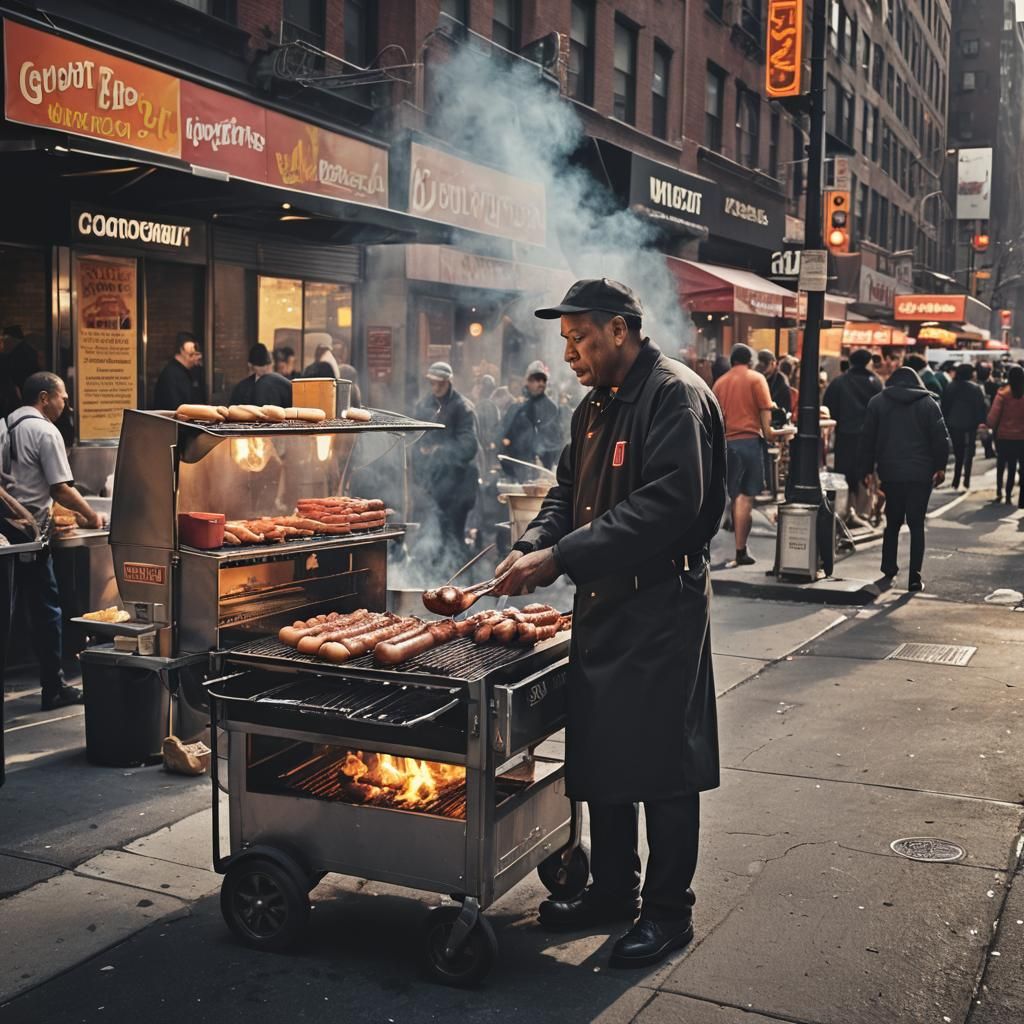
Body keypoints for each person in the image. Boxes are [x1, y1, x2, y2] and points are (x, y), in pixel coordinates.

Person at [492, 278, 726, 969]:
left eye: (579, 337)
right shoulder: (594, 407)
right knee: (606, 751)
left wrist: (563, 555)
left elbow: (669, 504)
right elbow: (566, 490)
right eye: (564, 341)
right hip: (605, 602)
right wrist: (536, 543)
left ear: (620, 330)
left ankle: (666, 911)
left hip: (661, 604)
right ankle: (613, 890)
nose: (569, 352)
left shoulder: (672, 395)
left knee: (662, 763)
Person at [0, 373, 106, 709]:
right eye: (63, 397)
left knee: (9, 610)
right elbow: (60, 487)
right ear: (45, 397)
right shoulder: (45, 430)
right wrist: (92, 515)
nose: (66, 404)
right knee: (47, 608)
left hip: (6, 530)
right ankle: (54, 687)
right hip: (31, 533)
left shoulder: (5, 425)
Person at [859, 366, 950, 592]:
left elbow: (867, 438)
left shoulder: (877, 402)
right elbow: (940, 439)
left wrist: (867, 469)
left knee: (893, 521)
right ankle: (915, 578)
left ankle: (889, 566)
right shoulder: (929, 404)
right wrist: (940, 467)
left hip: (890, 471)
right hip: (921, 472)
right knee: (916, 523)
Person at [712, 344, 777, 565]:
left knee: (733, 496)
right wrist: (777, 434)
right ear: (749, 360)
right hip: (749, 443)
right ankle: (740, 550)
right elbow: (767, 429)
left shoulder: (719, 383)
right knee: (744, 499)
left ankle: (736, 546)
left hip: (726, 445)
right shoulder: (756, 379)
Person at [412, 362, 480, 572]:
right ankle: (431, 580)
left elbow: (468, 446)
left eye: (439, 383)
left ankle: (458, 582)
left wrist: (438, 450)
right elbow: (416, 441)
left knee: (453, 536)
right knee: (431, 535)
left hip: (458, 486)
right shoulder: (423, 406)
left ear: (448, 381)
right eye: (432, 382)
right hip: (432, 484)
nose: (435, 387)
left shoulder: (463, 407)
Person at [822, 349, 882, 525]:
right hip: (869, 436)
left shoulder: (839, 382)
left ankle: (846, 510)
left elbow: (828, 406)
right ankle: (865, 512)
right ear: (868, 362)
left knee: (845, 473)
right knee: (867, 472)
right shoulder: (875, 382)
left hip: (845, 436)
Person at [499, 361, 563, 481]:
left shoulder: (551, 408)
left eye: (542, 380)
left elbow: (554, 439)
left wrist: (539, 456)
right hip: (519, 466)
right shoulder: (520, 407)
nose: (540, 384)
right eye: (535, 380)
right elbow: (509, 435)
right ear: (527, 382)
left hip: (540, 469)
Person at [941, 362, 988, 489]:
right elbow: (980, 407)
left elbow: (945, 406)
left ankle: (956, 479)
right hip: (971, 424)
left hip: (954, 423)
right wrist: (981, 422)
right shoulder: (975, 388)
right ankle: (966, 479)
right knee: (970, 452)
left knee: (958, 452)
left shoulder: (950, 386)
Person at [987, 364, 1024, 505]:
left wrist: (989, 426)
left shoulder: (1003, 394)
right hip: (1021, 438)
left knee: (1002, 464)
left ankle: (999, 491)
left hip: (1004, 436)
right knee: (1016, 466)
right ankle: (1011, 495)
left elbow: (993, 417)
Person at [153, 332, 202, 409]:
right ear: (182, 350)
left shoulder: (182, 372)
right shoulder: (171, 374)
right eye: (192, 353)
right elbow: (175, 407)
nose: (198, 356)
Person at [756, 349, 793, 415]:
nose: (762, 367)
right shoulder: (756, 376)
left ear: (773, 363)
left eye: (765, 364)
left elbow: (785, 408)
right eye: (760, 363)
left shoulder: (781, 381)